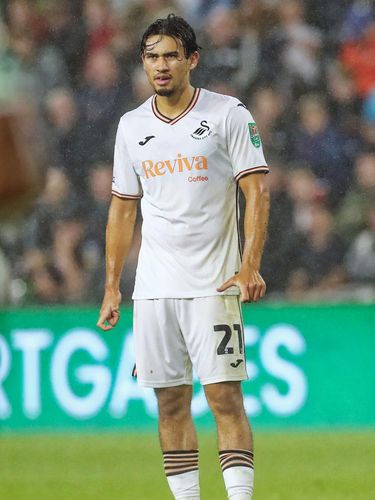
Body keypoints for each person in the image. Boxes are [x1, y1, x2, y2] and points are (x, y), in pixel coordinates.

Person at [97, 14, 269, 500]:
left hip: (212, 283)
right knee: (170, 403)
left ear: (192, 59)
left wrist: (249, 264)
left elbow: (256, 192)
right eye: (152, 56)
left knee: (224, 398)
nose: (161, 65)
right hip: (153, 289)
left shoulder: (227, 113)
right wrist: (113, 285)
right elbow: (122, 208)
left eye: (171, 54)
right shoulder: (131, 126)